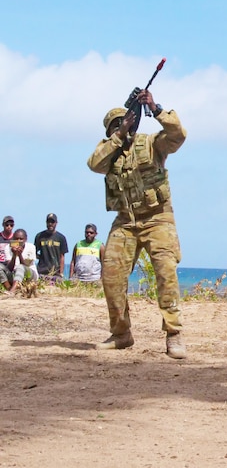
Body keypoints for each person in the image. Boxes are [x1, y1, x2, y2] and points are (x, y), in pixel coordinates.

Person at [87, 90, 187, 359]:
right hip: (125, 221)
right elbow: (93, 163)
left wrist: (155, 108)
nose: (124, 127)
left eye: (127, 121)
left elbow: (178, 135)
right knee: (112, 276)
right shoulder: (109, 153)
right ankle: (121, 334)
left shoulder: (151, 143)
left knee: (166, 273)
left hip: (158, 218)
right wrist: (118, 137)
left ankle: (174, 334)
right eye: (116, 125)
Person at [1, 229, 38, 295]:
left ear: (25, 239)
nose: (18, 241)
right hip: (15, 274)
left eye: (21, 239)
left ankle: (12, 291)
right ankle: (9, 288)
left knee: (20, 267)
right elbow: (9, 268)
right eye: (16, 239)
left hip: (30, 275)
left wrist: (20, 255)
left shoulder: (31, 247)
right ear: (13, 239)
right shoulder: (8, 247)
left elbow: (26, 267)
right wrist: (14, 256)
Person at [34, 213, 69, 283]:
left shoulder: (61, 238)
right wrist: (41, 257)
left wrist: (61, 273)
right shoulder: (40, 236)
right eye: (48, 222)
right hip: (42, 271)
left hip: (56, 272)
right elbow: (33, 252)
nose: (50, 224)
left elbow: (62, 257)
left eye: (52, 222)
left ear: (56, 223)